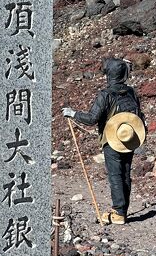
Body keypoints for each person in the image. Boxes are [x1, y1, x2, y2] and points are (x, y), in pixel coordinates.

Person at [62, 58, 146, 225]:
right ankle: (123, 210)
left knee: (115, 175)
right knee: (125, 174)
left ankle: (118, 212)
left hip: (112, 140)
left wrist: (72, 113)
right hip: (130, 138)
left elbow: (92, 118)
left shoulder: (105, 95)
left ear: (110, 75)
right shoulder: (131, 92)